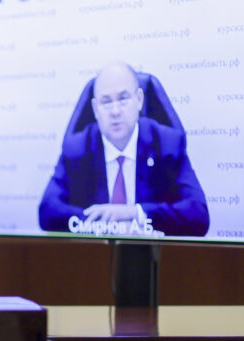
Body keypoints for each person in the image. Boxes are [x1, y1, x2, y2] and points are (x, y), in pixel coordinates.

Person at [38, 61, 209, 237]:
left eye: (123, 99)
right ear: (96, 109)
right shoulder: (78, 149)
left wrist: (135, 214)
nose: (115, 111)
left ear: (139, 100)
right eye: (106, 102)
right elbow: (47, 212)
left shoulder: (166, 144)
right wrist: (107, 225)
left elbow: (199, 215)